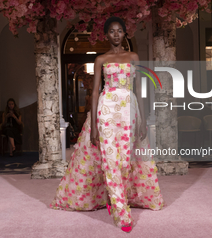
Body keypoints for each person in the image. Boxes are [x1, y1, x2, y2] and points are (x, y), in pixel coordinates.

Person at [51, 17, 164, 233]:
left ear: (124, 34)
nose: (116, 34)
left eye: (119, 30)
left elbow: (138, 91)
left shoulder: (133, 57)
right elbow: (94, 92)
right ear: (106, 35)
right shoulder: (101, 59)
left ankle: (115, 196)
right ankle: (122, 214)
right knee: (111, 159)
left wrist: (142, 119)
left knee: (125, 159)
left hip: (129, 112)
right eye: (112, 31)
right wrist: (94, 125)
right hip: (107, 111)